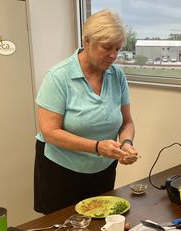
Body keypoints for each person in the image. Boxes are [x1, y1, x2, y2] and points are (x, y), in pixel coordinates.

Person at [34, 10, 138, 214]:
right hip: (62, 171)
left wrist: (126, 144)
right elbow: (49, 132)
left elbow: (127, 122)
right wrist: (97, 147)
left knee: (101, 226)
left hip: (103, 169)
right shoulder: (58, 77)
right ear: (87, 41)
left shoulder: (117, 76)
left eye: (118, 49)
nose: (113, 55)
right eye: (107, 47)